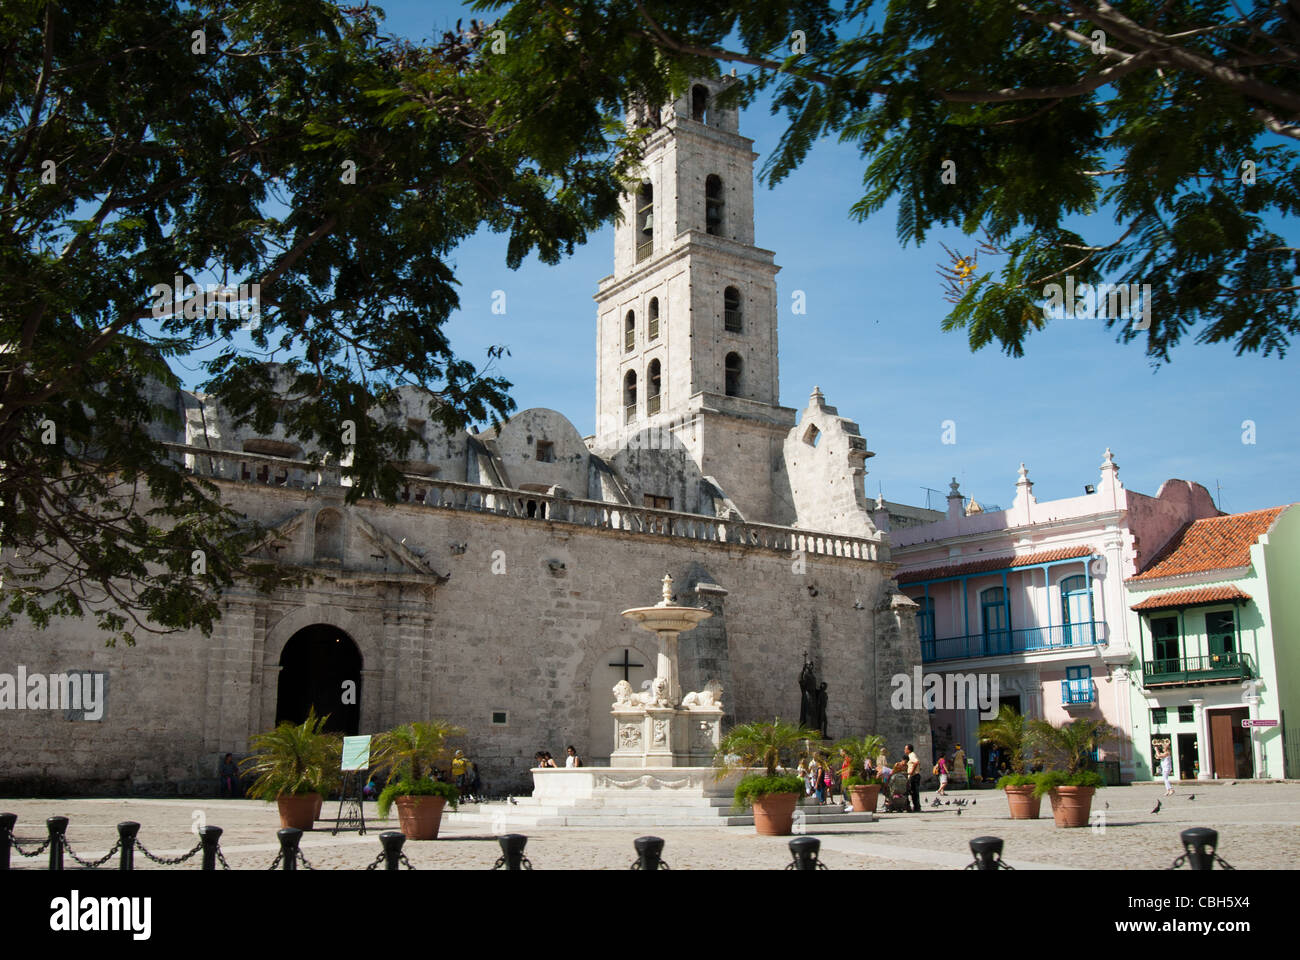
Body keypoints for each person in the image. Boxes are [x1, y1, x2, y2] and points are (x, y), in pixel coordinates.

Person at [905, 742, 922, 813]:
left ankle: (917, 807)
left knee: (914, 792)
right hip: (914, 775)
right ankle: (916, 806)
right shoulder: (911, 755)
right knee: (913, 792)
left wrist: (912, 771)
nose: (904, 750)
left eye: (905, 749)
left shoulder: (911, 755)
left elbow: (916, 762)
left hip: (914, 776)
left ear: (909, 750)